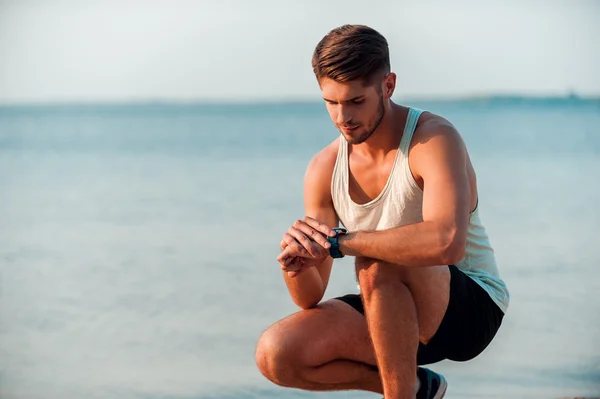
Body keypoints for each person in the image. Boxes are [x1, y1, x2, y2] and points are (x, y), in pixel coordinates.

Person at [254, 24, 509, 399]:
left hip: (469, 309)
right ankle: (419, 388)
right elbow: (309, 296)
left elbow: (447, 243)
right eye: (331, 102)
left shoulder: (433, 140)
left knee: (377, 259)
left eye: (356, 101)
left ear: (387, 86)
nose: (342, 117)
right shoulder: (324, 167)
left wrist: (345, 243)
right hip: (388, 310)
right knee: (278, 353)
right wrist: (295, 265)